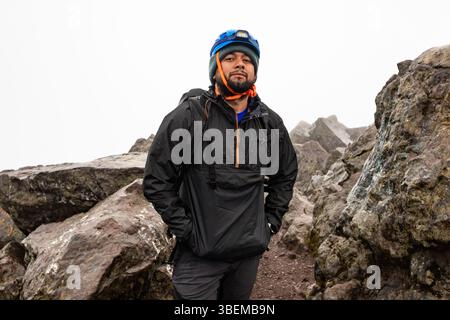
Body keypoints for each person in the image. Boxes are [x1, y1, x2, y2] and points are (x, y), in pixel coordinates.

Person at [143, 29, 298, 300]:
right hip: (199, 258)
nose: (240, 63)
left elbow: (285, 174)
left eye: (247, 60)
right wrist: (188, 232)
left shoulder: (269, 122)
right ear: (215, 68)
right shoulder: (188, 116)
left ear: (255, 70)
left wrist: (270, 223)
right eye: (230, 58)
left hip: (247, 257)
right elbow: (156, 181)